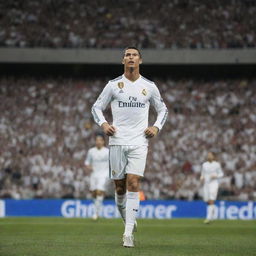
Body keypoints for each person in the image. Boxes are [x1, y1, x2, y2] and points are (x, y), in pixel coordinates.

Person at [91, 46, 168, 247]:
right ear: (123, 60)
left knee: (133, 183)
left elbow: (163, 110)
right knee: (119, 187)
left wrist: (156, 127)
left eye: (134, 55)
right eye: (127, 55)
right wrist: (104, 124)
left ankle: (127, 235)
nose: (131, 57)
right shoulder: (113, 85)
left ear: (140, 60)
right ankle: (128, 220)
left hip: (139, 141)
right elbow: (96, 107)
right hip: (117, 141)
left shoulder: (149, 86)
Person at [84, 133, 109, 220]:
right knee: (94, 193)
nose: (98, 142)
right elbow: (87, 162)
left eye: (100, 140)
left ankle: (96, 213)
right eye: (97, 140)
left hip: (104, 174)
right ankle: (97, 210)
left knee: (99, 191)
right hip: (94, 174)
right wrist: (89, 167)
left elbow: (112, 163)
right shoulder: (91, 151)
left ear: (103, 141)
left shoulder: (107, 151)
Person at [200, 151, 224, 224]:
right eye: (208, 155)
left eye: (210, 155)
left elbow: (221, 174)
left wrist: (216, 176)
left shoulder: (217, 164)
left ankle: (208, 218)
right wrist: (201, 178)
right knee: (207, 201)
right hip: (206, 184)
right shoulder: (204, 165)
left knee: (211, 200)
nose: (209, 156)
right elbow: (202, 174)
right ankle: (212, 213)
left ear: (214, 157)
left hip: (214, 184)